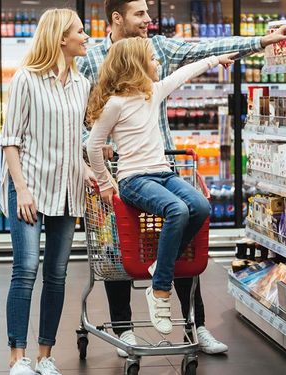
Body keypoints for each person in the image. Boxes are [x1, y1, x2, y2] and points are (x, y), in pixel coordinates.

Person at [77, 0, 286, 356]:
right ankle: (125, 330)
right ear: (117, 18)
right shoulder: (89, 58)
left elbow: (205, 50)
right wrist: (97, 167)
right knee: (118, 252)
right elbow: (80, 118)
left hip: (165, 164)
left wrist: (262, 41)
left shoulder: (159, 49)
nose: (148, 21)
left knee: (183, 237)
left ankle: (194, 326)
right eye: (140, 14)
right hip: (124, 175)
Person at [86, 37, 235, 336]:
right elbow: (93, 145)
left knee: (201, 207)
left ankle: (159, 265)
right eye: (153, 59)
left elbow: (184, 74)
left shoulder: (152, 93)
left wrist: (215, 60)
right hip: (134, 179)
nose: (158, 64)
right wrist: (105, 181)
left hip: (163, 174)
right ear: (136, 65)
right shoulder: (114, 104)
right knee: (177, 210)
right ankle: (160, 289)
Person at [0, 8, 95, 375]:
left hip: (67, 190)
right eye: (81, 32)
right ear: (60, 38)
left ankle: (45, 356)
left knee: (56, 273)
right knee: (25, 268)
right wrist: (21, 189)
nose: (86, 37)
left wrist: (85, 169)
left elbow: (75, 142)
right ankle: (17, 357)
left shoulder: (82, 84)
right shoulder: (26, 78)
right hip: (30, 187)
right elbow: (10, 141)